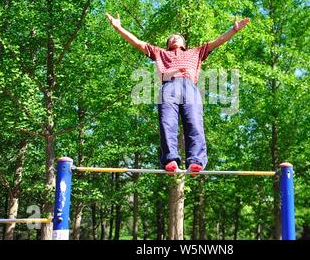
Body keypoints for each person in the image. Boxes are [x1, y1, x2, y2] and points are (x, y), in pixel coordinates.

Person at [106, 13, 250, 175]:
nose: (174, 38)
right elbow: (138, 43)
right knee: (167, 123)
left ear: (184, 43)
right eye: (171, 38)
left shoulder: (196, 52)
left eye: (178, 37)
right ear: (167, 44)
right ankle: (170, 160)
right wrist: (119, 28)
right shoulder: (160, 53)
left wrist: (234, 30)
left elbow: (218, 41)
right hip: (169, 86)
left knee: (194, 123)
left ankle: (195, 161)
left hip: (190, 87)